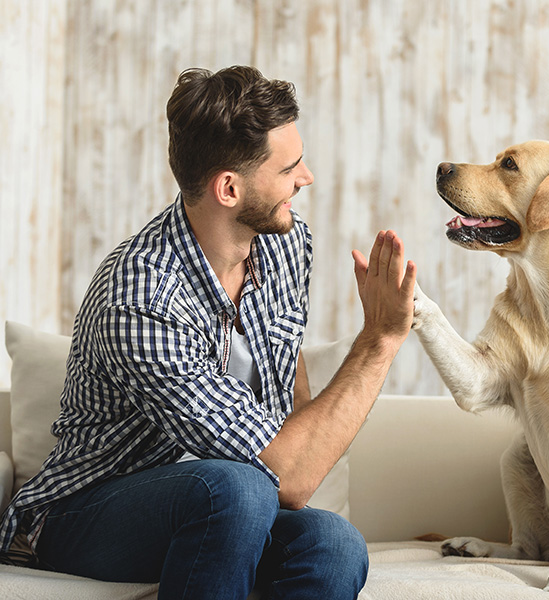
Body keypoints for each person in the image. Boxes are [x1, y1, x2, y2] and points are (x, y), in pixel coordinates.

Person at [0, 65, 417, 599]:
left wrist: (296, 466)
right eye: (289, 167)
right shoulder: (142, 296)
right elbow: (285, 475)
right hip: (85, 512)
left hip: (233, 502)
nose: (306, 177)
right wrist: (379, 340)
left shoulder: (286, 245)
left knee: (333, 544)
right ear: (228, 188)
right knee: (236, 487)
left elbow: (289, 387)